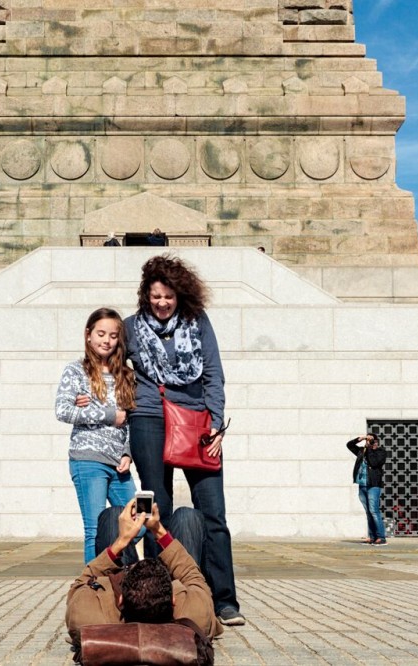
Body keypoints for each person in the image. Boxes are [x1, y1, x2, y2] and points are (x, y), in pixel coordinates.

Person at [124, 254, 244, 626]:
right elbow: (105, 365)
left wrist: (216, 424)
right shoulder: (131, 327)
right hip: (148, 419)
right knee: (155, 509)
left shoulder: (198, 322)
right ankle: (156, 597)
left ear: (180, 295)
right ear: (146, 296)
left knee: (213, 512)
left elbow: (213, 374)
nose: (162, 303)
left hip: (196, 424)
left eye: (169, 296)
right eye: (155, 296)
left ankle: (223, 600)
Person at [65, 501, 224, 641]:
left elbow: (80, 585)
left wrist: (122, 541)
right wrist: (159, 530)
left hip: (121, 615)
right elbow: (192, 575)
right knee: (187, 516)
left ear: (120, 599)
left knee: (113, 514)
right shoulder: (195, 619)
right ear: (173, 599)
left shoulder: (88, 624)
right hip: (169, 610)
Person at [56, 308, 137, 563]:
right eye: (101, 334)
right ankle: (92, 582)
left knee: (140, 522)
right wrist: (109, 414)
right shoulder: (75, 371)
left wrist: (128, 452)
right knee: (94, 529)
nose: (107, 340)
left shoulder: (127, 374)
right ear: (88, 335)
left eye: (113, 336)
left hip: (118, 463)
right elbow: (63, 410)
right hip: (88, 459)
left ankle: (116, 570)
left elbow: (132, 420)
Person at [347, 433, 388, 546]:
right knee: (368, 512)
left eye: (371, 440)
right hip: (362, 485)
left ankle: (381, 537)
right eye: (368, 440)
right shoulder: (362, 451)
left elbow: (374, 463)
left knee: (374, 511)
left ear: (376, 442)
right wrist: (360, 439)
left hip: (373, 485)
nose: (369, 442)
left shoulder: (381, 452)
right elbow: (349, 445)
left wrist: (369, 448)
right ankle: (372, 537)